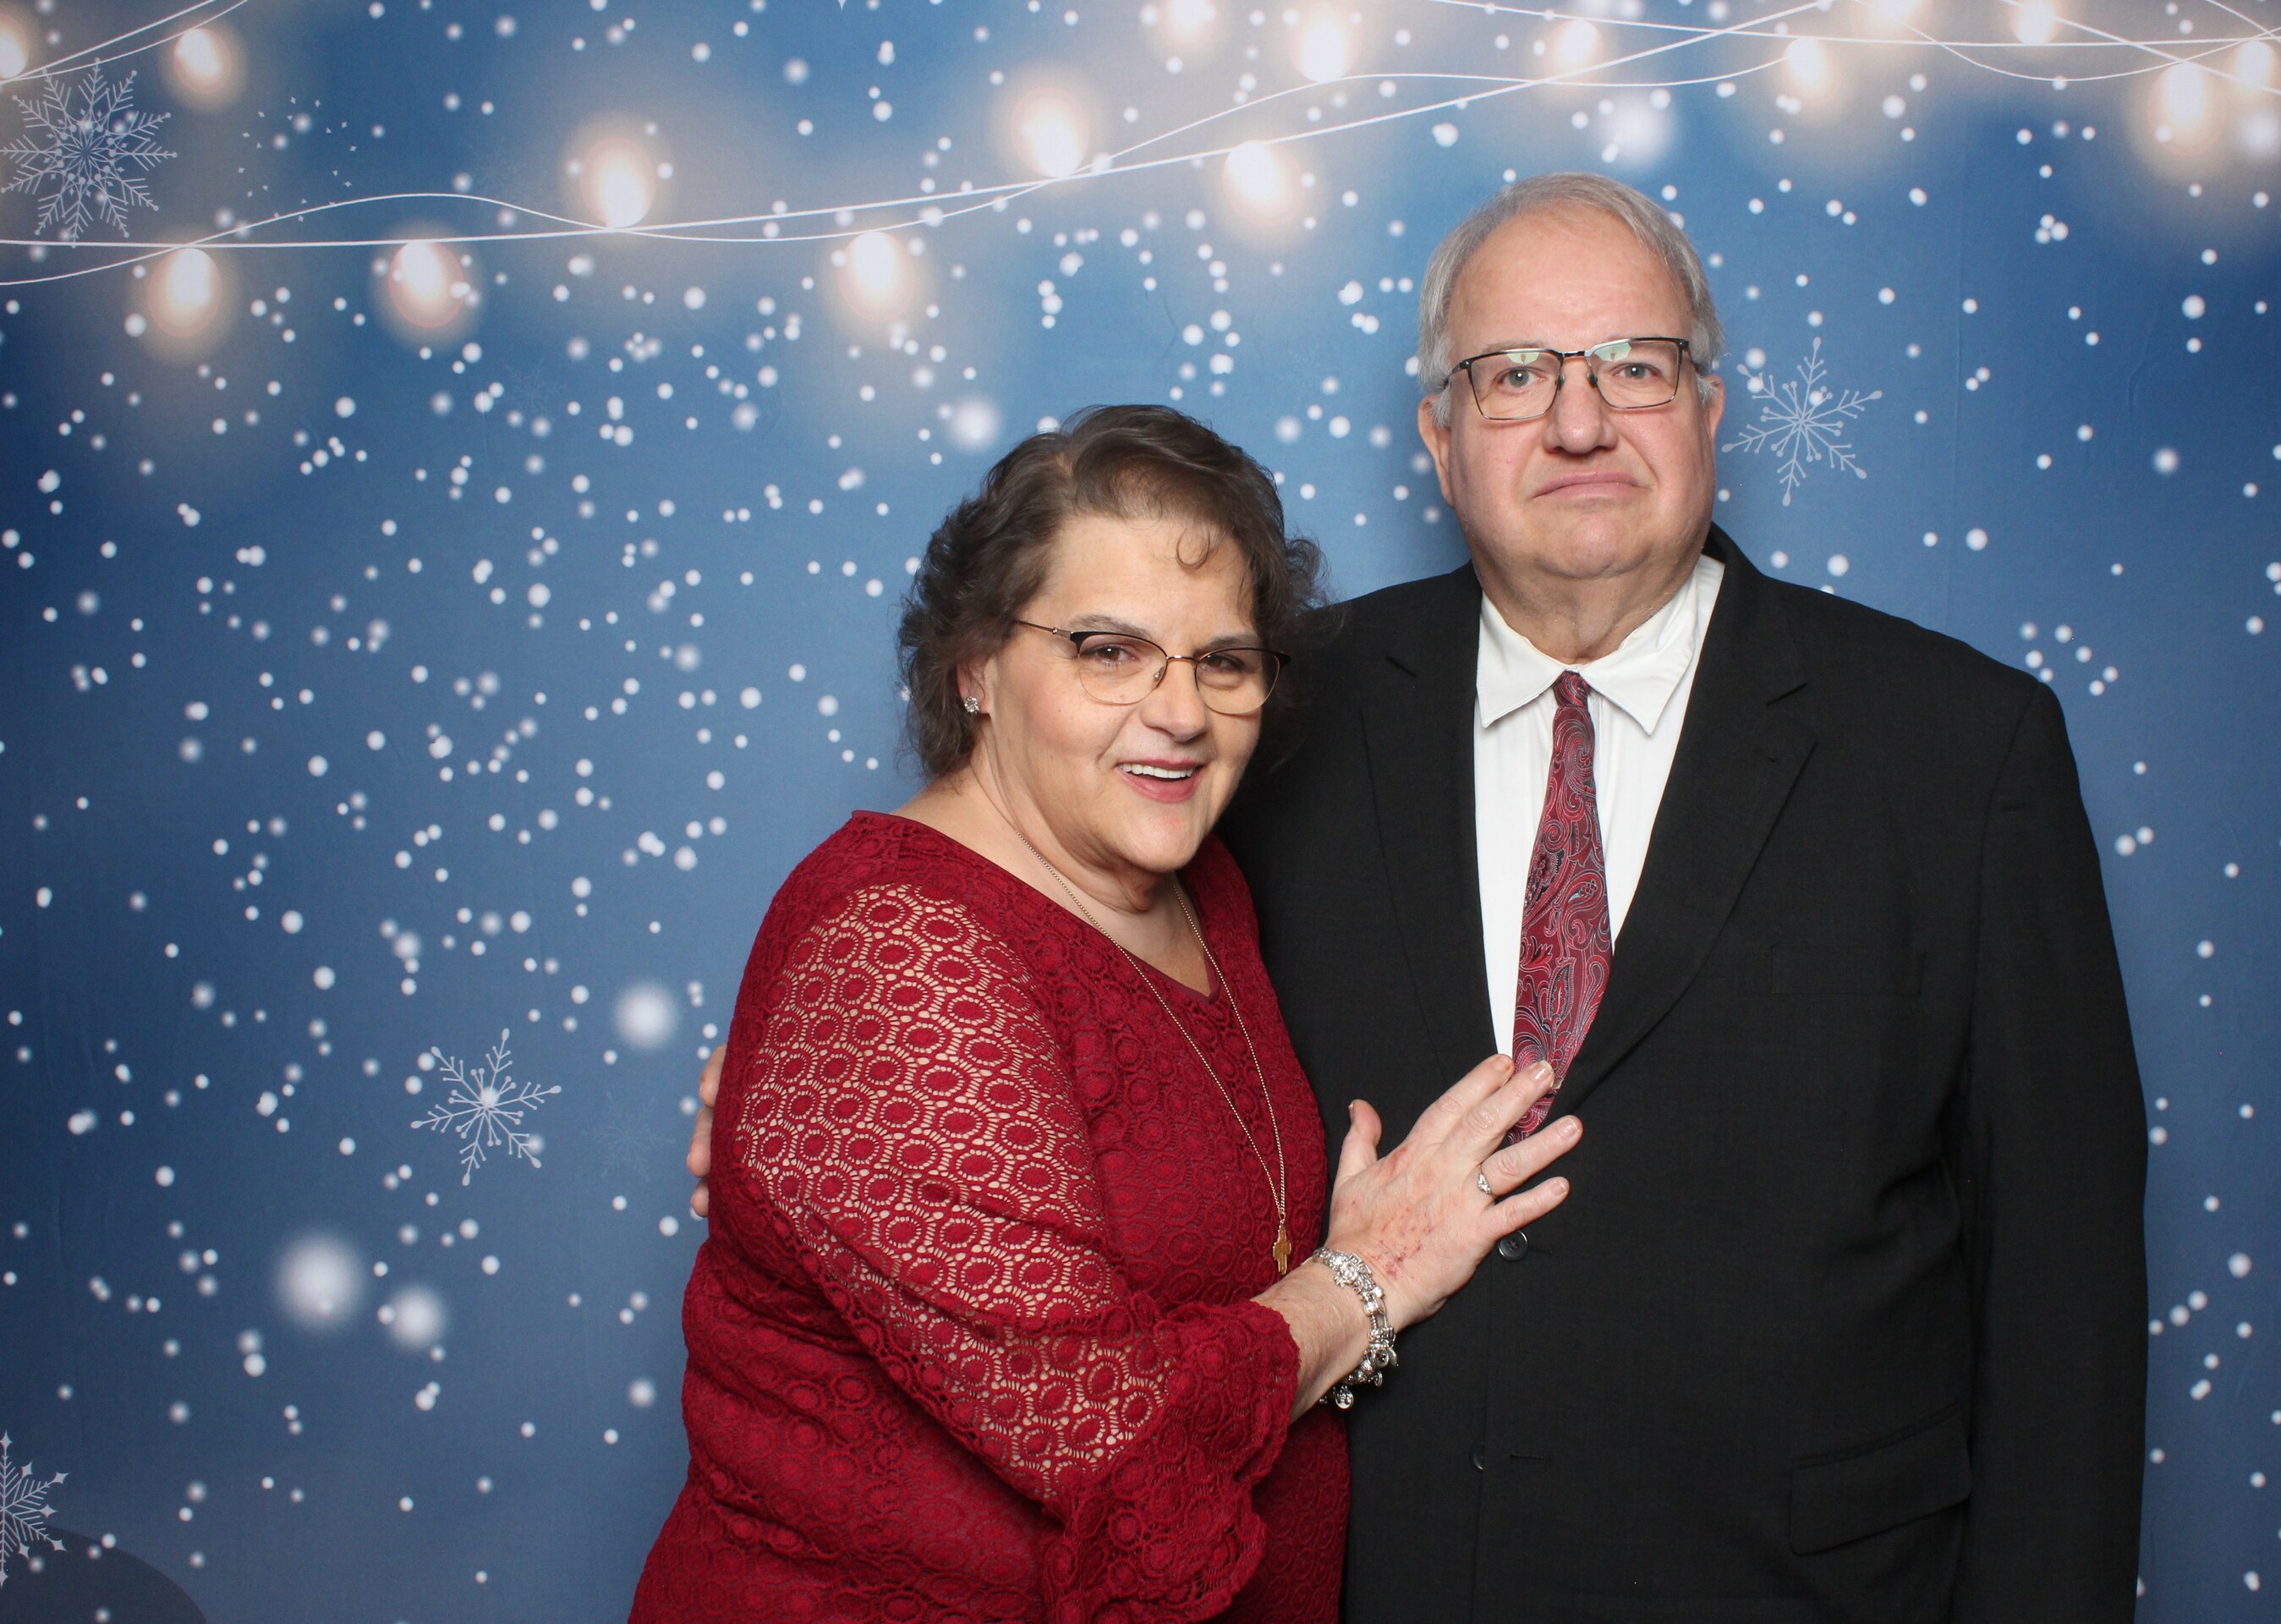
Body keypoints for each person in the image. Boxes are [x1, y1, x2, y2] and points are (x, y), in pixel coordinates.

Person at [694, 175, 2150, 1620]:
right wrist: (809, 1107)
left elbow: (2064, 1298)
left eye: (1634, 366)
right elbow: (1014, 946)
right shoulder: (1273, 717)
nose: (1578, 421)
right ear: (1441, 442)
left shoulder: (1960, 752)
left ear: (1709, 409)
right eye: (1514, 374)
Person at [633, 403, 1582, 1622]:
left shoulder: (1200, 883)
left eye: (1222, 660)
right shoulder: (897, 953)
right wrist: (1366, 1279)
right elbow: (1117, 1438)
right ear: (976, 665)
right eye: (1108, 650)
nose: (1179, 712)